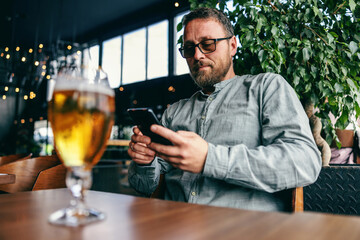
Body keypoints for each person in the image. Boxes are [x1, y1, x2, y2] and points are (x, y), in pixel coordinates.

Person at [127, 7, 321, 212]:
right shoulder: (174, 112)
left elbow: (304, 162)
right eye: (189, 48)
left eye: (208, 44)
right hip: (172, 226)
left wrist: (209, 159)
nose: (197, 55)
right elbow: (144, 187)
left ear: (233, 45)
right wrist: (144, 162)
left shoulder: (266, 88)